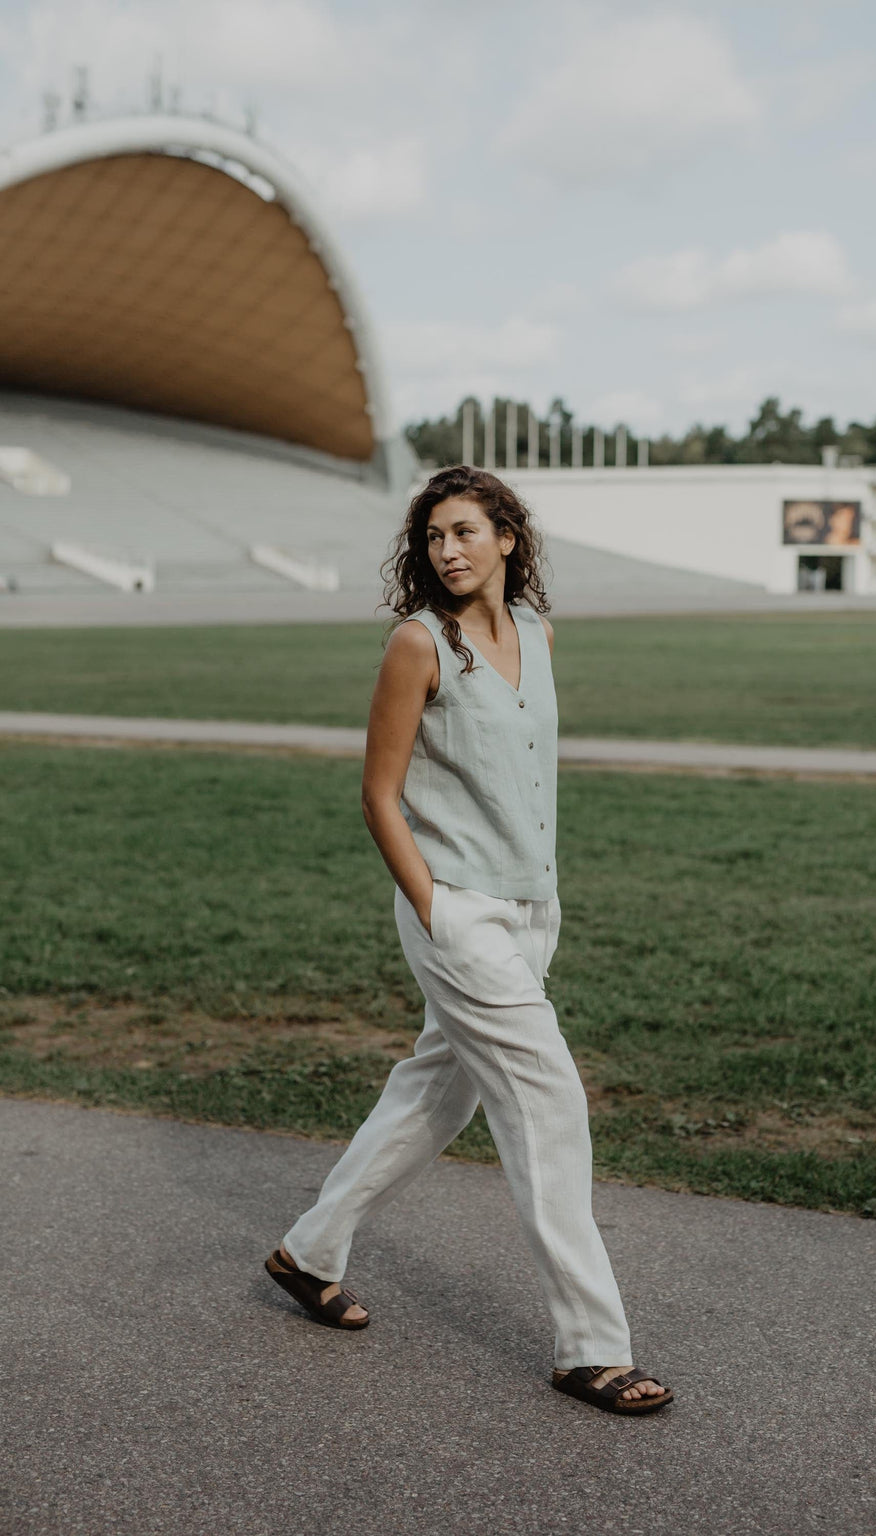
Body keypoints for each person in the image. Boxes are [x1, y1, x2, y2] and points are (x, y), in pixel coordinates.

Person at [265, 465, 671, 1417]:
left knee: (435, 1094)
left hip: (533, 910)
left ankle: (308, 1254)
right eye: (433, 536)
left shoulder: (537, 631)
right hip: (459, 914)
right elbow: (379, 795)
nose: (447, 550)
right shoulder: (419, 644)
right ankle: (591, 1348)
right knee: (549, 1106)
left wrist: (535, 901)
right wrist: (435, 908)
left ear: (507, 539)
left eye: (464, 532)